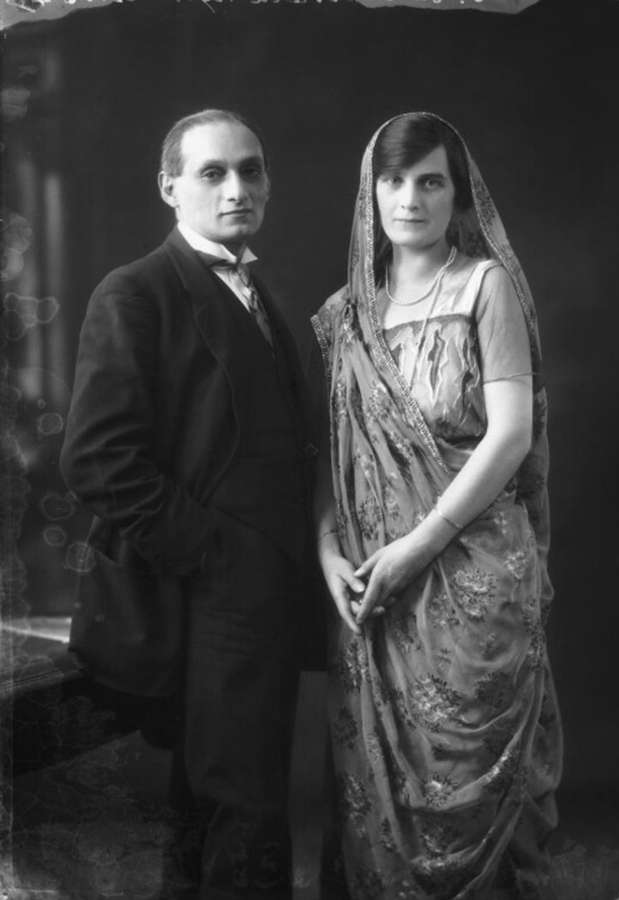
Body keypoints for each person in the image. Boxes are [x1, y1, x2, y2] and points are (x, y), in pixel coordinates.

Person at [60, 108, 316, 900]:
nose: (237, 187)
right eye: (213, 173)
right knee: (239, 811)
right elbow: (96, 459)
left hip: (267, 600)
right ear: (170, 188)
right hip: (209, 601)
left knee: (213, 813)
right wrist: (217, 558)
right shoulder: (136, 292)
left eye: (250, 169)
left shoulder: (257, 291)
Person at [311, 112, 563, 900]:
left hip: (473, 576)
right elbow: (331, 453)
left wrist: (418, 547)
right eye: (393, 180)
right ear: (370, 191)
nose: (409, 198)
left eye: (430, 180)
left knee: (467, 779)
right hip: (371, 588)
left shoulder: (484, 287)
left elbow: (512, 434)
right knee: (379, 790)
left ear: (458, 195)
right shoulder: (344, 316)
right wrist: (329, 555)